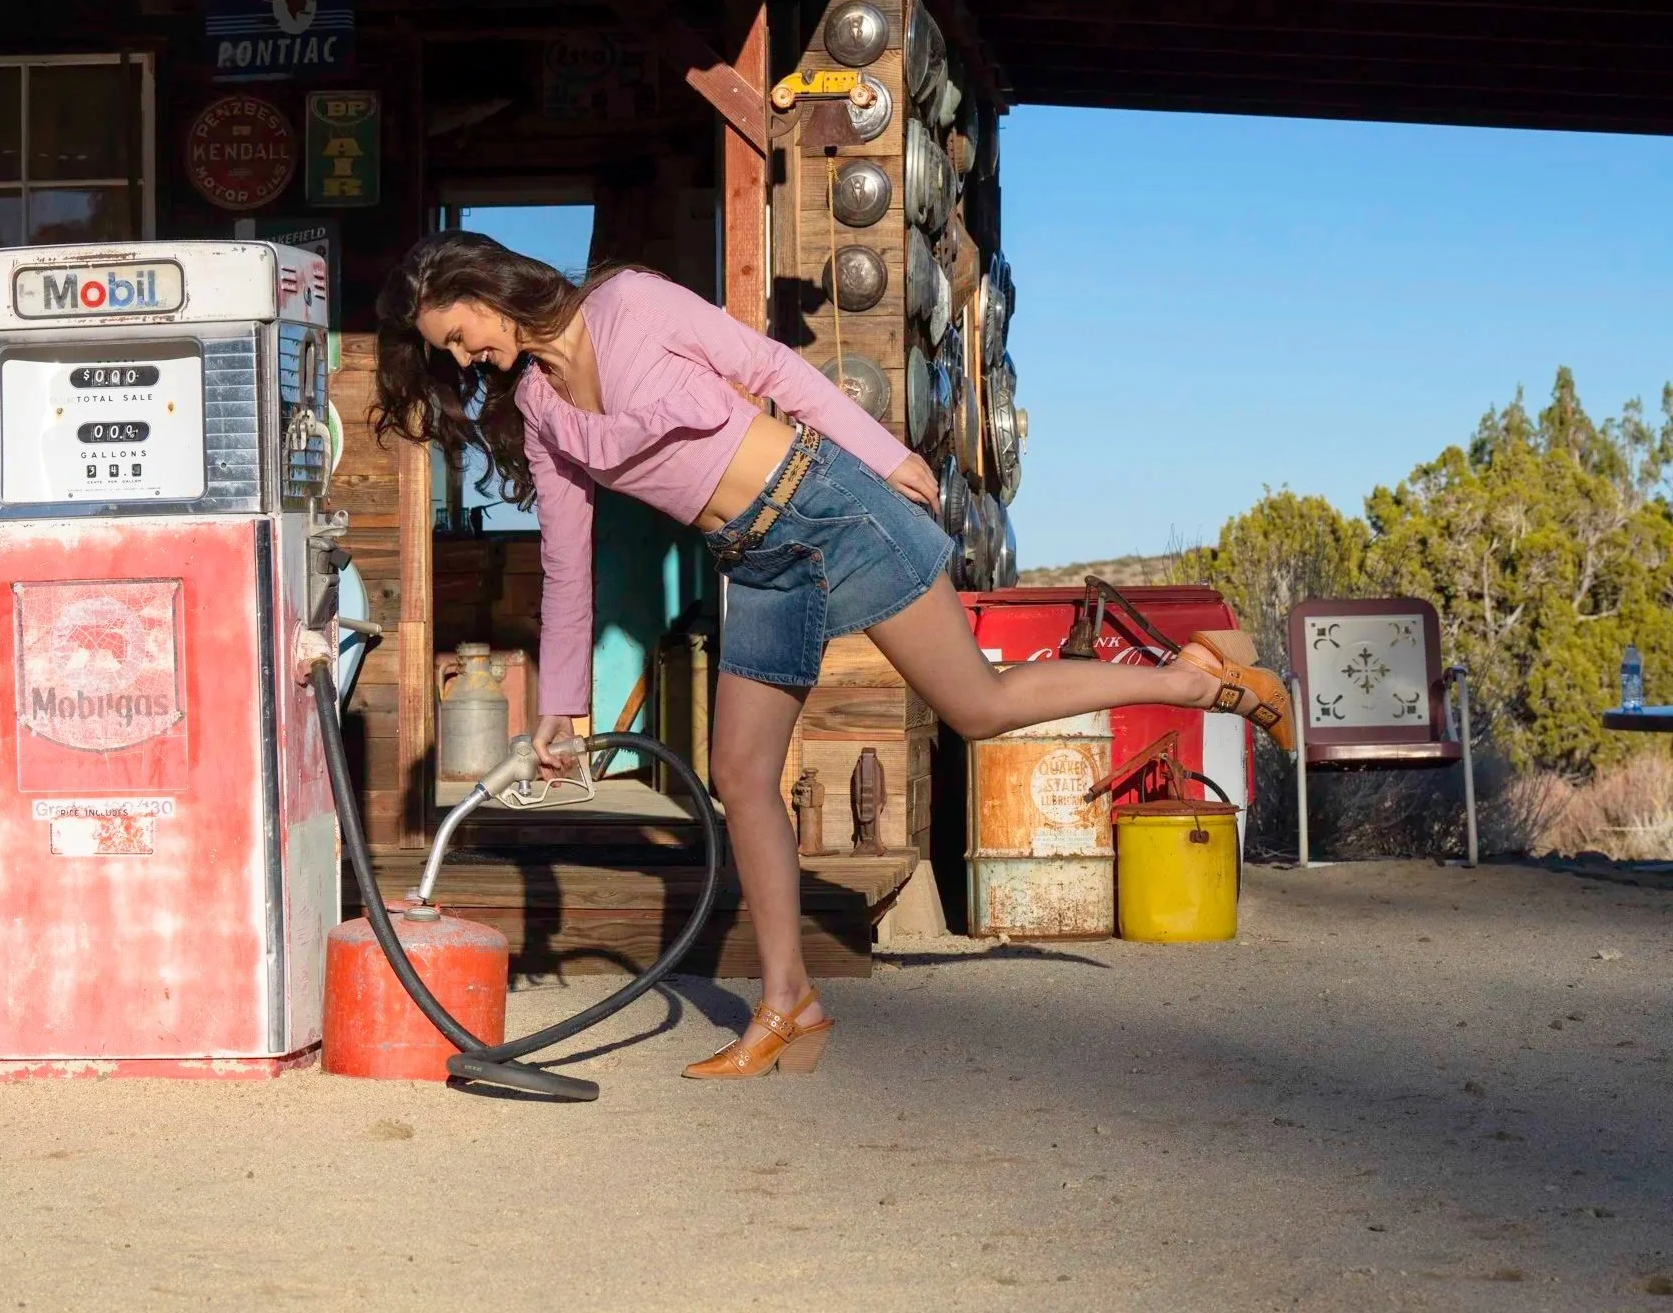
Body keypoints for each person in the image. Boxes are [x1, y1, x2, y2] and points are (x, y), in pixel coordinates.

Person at [374, 231, 1291, 1080]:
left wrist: (884, 450)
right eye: (447, 351)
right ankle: (789, 1004)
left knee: (974, 704)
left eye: (458, 335)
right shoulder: (539, 406)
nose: (462, 359)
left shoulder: (630, 304)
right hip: (757, 558)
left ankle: (1192, 677)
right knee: (740, 773)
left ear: (487, 290)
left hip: (830, 506)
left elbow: (766, 365)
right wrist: (559, 709)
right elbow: (566, 567)